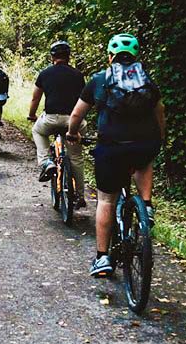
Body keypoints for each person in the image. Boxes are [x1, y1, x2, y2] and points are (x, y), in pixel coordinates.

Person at [66, 33, 166, 278]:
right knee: (144, 160)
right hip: (145, 144)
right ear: (136, 55)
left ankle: (102, 258)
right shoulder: (146, 79)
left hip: (111, 147)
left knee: (106, 200)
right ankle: (147, 205)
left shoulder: (99, 80)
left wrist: (71, 133)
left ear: (110, 56)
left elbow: (77, 115)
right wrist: (159, 139)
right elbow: (160, 111)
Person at [27, 40, 86, 205]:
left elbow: (35, 97)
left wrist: (32, 115)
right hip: (73, 121)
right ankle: (80, 196)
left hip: (51, 118)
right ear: (68, 56)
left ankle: (46, 161)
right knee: (76, 157)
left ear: (52, 57)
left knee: (37, 131)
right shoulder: (78, 75)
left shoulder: (45, 74)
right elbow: (85, 99)